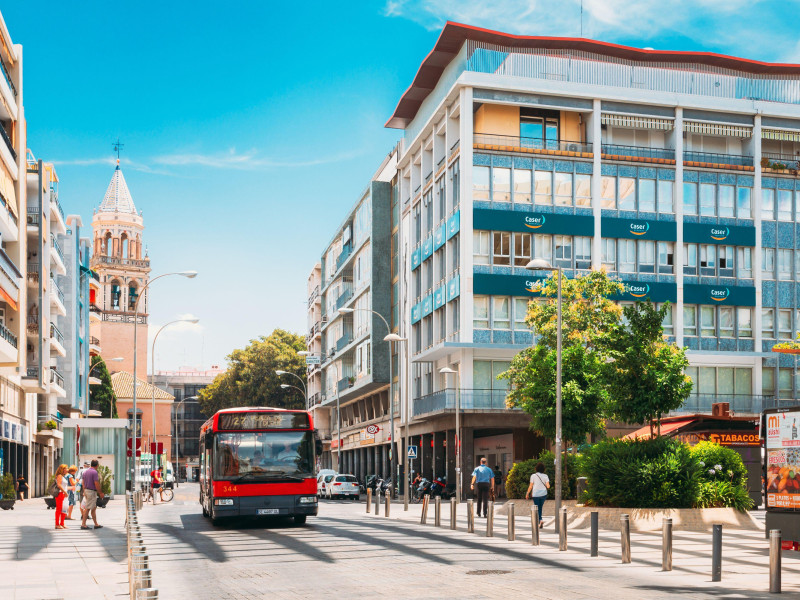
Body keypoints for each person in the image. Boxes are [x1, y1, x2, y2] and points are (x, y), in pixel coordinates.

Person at [525, 462, 550, 529]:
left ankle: (540, 520)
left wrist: (527, 493)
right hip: (543, 494)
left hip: (535, 494)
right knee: (540, 507)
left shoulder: (533, 476)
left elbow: (530, 486)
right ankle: (540, 520)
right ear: (543, 469)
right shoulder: (545, 476)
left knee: (538, 507)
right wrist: (547, 484)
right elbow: (548, 486)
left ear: (536, 469)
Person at [80, 459, 103, 530]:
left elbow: (83, 483)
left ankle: (96, 524)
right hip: (91, 492)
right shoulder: (94, 472)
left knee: (93, 508)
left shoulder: (85, 472)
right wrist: (100, 493)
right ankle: (83, 524)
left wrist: (84, 491)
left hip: (86, 490)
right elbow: (96, 483)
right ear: (97, 465)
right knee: (87, 508)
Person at [54, 464, 69, 530]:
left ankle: (62, 523)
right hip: (60, 494)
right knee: (59, 509)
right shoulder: (60, 476)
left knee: (64, 508)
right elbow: (59, 485)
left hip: (63, 494)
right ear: (62, 469)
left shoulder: (63, 476)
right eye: (66, 468)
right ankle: (57, 524)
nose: (67, 469)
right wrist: (64, 492)